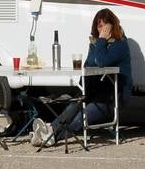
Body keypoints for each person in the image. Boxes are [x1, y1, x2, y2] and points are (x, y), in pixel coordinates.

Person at [32, 8, 132, 147]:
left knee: (80, 117)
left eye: (104, 25)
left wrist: (102, 41)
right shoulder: (97, 44)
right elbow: (89, 65)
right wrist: (98, 44)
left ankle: (49, 133)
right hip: (95, 92)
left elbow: (102, 62)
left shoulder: (120, 44)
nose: (101, 29)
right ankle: (48, 132)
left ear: (112, 26)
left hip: (113, 97)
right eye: (99, 26)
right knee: (75, 103)